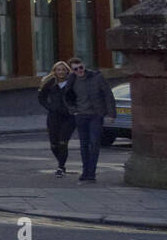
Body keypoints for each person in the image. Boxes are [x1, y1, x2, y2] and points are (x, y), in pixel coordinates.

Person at [64, 56, 115, 184]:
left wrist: (111, 114)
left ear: (84, 65)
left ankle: (91, 174)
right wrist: (73, 110)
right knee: (83, 145)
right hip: (81, 116)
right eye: (76, 69)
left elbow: (108, 94)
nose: (79, 71)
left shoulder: (97, 77)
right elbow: (66, 96)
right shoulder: (72, 79)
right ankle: (85, 172)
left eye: (81, 67)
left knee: (94, 143)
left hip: (95, 115)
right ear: (72, 71)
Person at [37, 61, 75, 177]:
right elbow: (41, 98)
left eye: (63, 70)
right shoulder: (50, 83)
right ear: (55, 71)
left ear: (67, 71)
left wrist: (74, 109)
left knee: (63, 142)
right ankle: (61, 163)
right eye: (58, 70)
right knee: (54, 144)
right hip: (54, 116)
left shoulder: (72, 83)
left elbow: (79, 96)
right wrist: (50, 107)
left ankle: (61, 167)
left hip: (69, 117)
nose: (61, 72)